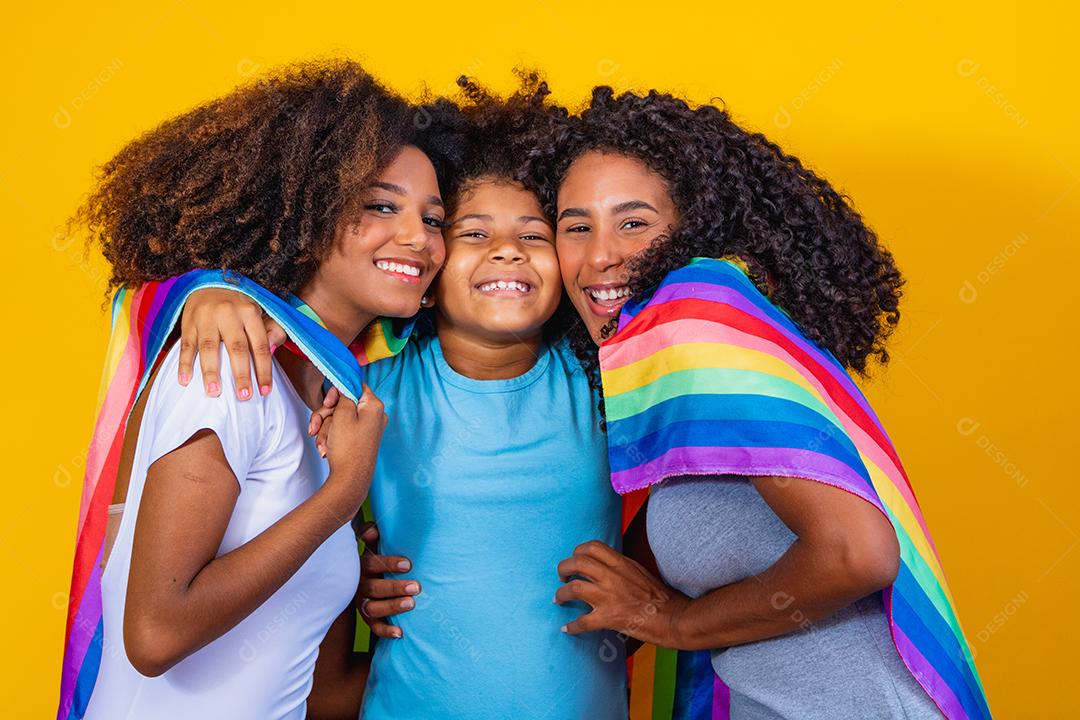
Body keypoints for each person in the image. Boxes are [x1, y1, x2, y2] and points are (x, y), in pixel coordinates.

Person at [161, 76, 629, 720]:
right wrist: (212, 288)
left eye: (534, 235)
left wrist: (652, 606)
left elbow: (688, 502)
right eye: (472, 234)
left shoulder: (608, 381)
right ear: (430, 272)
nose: (507, 251)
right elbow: (307, 539)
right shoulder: (362, 386)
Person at [536, 87, 989, 720]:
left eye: (633, 222)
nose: (600, 255)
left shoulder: (694, 311)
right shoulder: (688, 363)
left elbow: (857, 552)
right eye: (576, 227)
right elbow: (635, 578)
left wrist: (678, 623)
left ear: (693, 230)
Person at [58, 60, 447, 720]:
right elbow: (156, 635)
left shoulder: (332, 407)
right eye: (380, 205)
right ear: (303, 213)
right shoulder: (228, 368)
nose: (418, 238)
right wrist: (341, 495)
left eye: (434, 218)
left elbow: (318, 695)